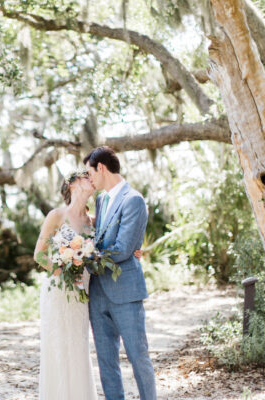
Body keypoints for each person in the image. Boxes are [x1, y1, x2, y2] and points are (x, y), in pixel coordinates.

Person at [33, 171, 141, 399]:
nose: (92, 180)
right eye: (85, 177)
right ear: (71, 184)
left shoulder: (94, 221)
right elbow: (39, 256)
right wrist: (63, 267)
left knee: (78, 348)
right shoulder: (57, 215)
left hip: (83, 292)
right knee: (58, 347)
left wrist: (133, 248)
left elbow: (115, 242)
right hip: (59, 291)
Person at [84, 146, 156, 400]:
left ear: (101, 168)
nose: (89, 179)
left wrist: (85, 258)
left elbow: (124, 248)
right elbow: (98, 238)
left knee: (138, 357)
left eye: (89, 173)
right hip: (98, 292)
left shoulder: (133, 199)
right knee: (106, 362)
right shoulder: (101, 200)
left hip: (125, 290)